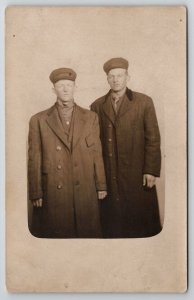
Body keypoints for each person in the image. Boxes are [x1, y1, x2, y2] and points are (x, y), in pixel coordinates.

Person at [28, 67, 107, 238]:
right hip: (55, 189)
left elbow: (96, 153)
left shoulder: (91, 117)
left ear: (75, 88)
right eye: (61, 85)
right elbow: (34, 158)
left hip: (85, 188)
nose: (65, 89)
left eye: (69, 85)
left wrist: (101, 185)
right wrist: (36, 191)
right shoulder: (39, 120)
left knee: (87, 239)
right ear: (53, 89)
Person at [91, 57, 162, 238]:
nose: (116, 79)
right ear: (107, 79)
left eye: (120, 75)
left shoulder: (144, 102)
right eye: (112, 76)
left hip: (137, 173)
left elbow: (153, 138)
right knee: (113, 225)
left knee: (140, 223)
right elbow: (95, 144)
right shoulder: (97, 106)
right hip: (110, 173)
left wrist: (151, 170)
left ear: (127, 77)